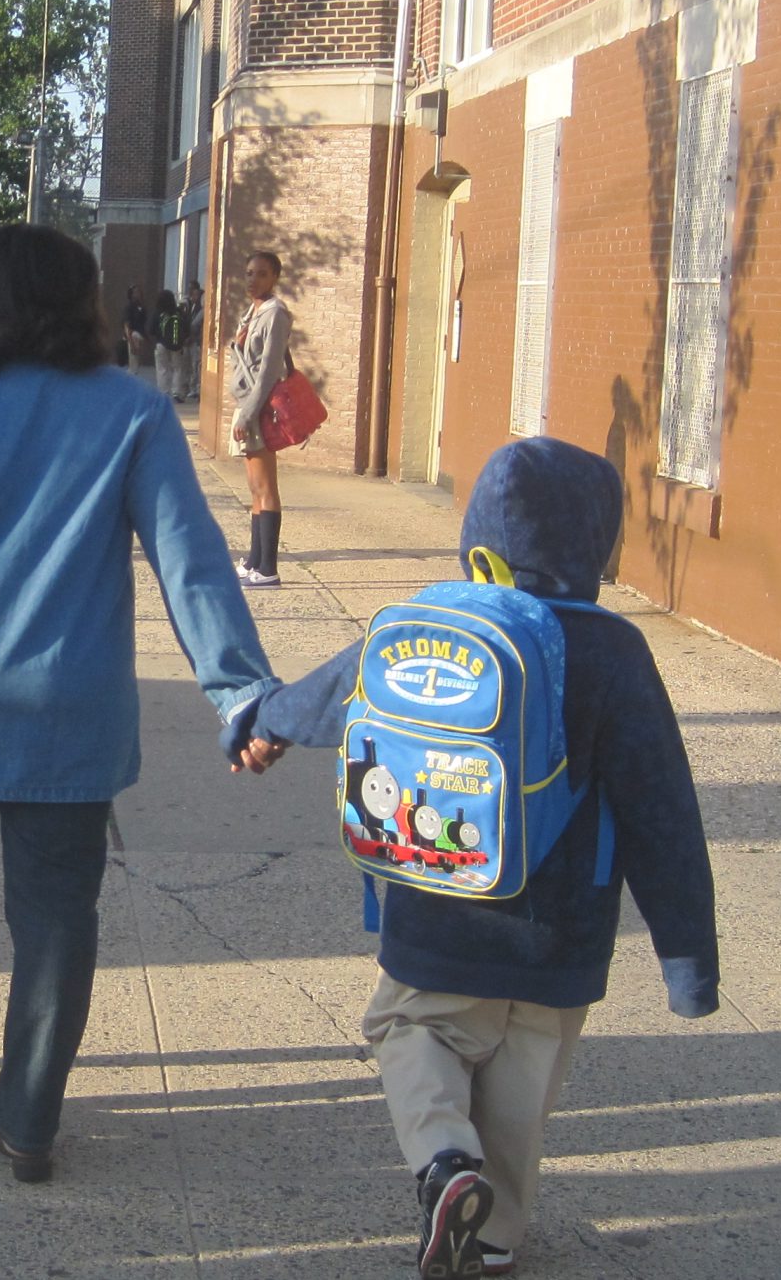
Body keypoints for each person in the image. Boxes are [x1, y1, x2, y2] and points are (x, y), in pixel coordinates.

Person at [0, 224, 279, 1184]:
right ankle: (30, 1117)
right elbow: (189, 560)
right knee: (55, 914)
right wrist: (240, 689)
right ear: (81, 306)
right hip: (66, 715)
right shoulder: (132, 412)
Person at [233, 437, 719, 1279]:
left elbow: (331, 693)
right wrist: (689, 964)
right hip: (561, 932)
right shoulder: (614, 652)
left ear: (479, 540)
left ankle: (445, 1163)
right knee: (523, 1092)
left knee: (409, 1025)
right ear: (595, 549)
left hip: (438, 912)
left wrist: (267, 721)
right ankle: (494, 1237)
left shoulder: (429, 623)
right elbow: (662, 812)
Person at [226, 250, 292, 587]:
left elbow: (268, 370)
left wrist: (250, 412)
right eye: (250, 273)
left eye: (262, 274)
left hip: (261, 407)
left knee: (266, 487)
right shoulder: (252, 312)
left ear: (275, 277)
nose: (254, 280)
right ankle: (254, 560)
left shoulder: (275, 314)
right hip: (247, 404)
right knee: (254, 488)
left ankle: (268, 568)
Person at [152, 287, 187, 400]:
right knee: (178, 368)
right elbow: (186, 327)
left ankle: (164, 392)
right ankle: (177, 392)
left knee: (162, 368)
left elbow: (151, 329)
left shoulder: (158, 313)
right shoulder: (178, 312)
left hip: (161, 344)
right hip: (176, 345)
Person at [178, 281, 205, 401]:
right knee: (186, 365)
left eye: (194, 293)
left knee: (195, 365)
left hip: (195, 341)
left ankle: (195, 389)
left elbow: (196, 325)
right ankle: (188, 387)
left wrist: (192, 338)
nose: (192, 296)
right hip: (187, 340)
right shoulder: (188, 305)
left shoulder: (201, 308)